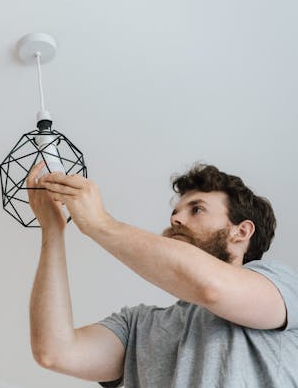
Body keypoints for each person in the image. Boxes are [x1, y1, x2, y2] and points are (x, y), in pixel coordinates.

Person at [27, 162, 298, 387]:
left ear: (241, 232)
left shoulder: (279, 282)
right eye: (175, 212)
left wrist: (101, 224)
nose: (175, 219)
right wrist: (52, 228)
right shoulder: (137, 324)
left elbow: (211, 287)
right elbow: (55, 351)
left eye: (197, 209)